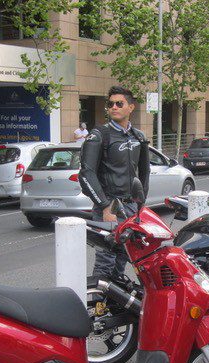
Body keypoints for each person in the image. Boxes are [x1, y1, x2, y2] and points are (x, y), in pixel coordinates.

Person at [78, 86, 150, 279]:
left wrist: (140, 205)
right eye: (110, 104)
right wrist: (105, 207)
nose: (114, 107)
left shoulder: (139, 137)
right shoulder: (99, 135)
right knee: (106, 260)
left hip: (131, 207)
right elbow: (86, 174)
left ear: (131, 107)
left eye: (120, 103)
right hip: (109, 205)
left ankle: (115, 307)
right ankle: (97, 305)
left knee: (123, 258)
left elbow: (144, 173)